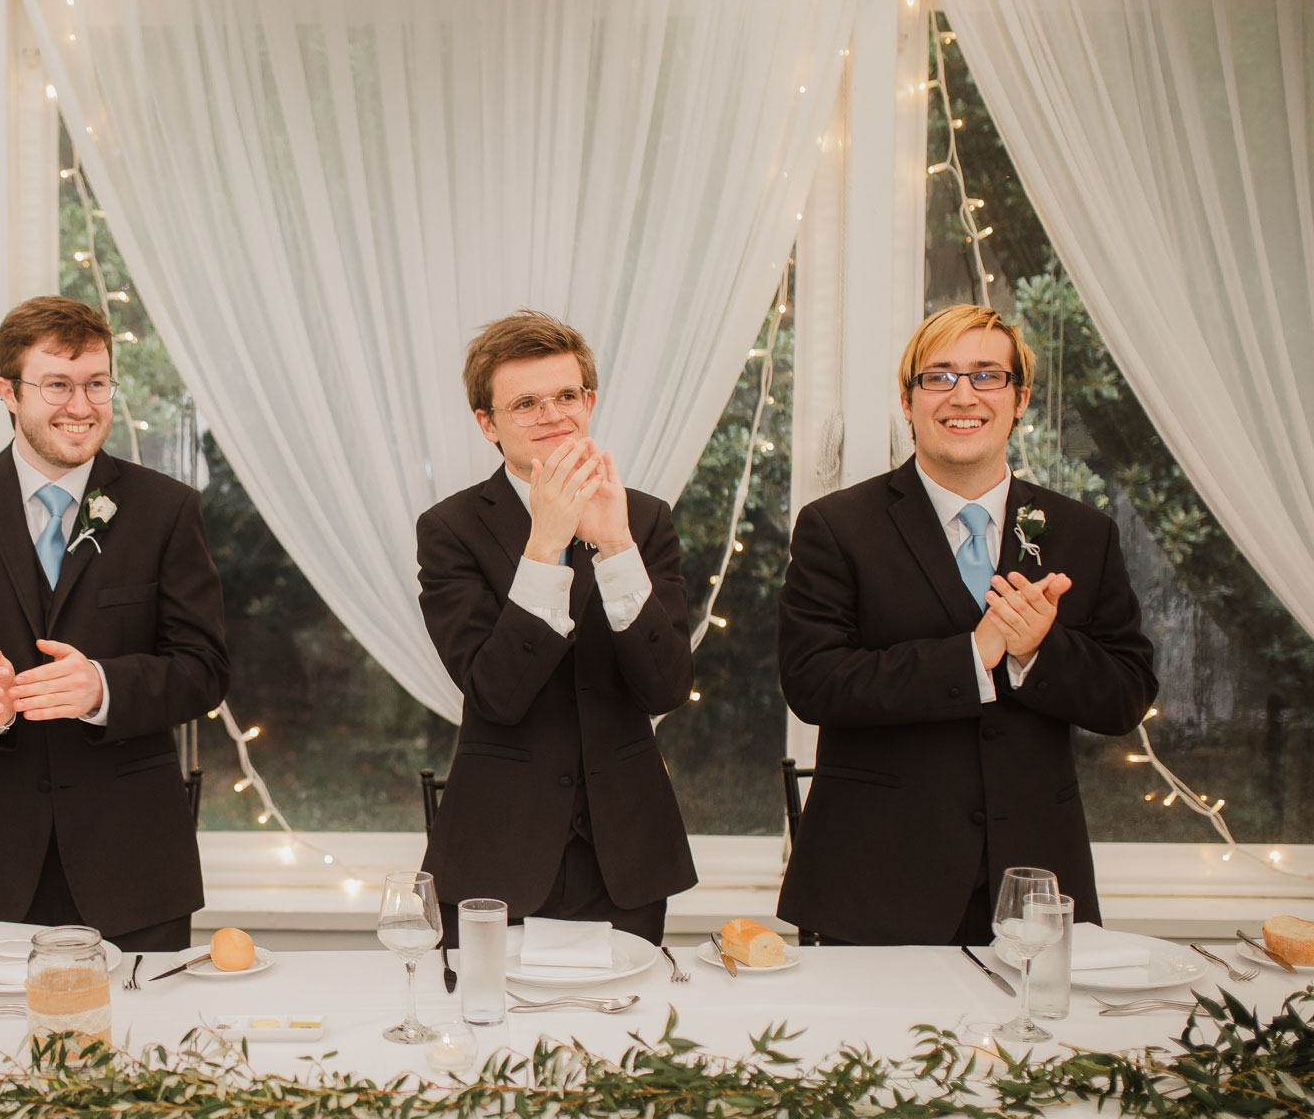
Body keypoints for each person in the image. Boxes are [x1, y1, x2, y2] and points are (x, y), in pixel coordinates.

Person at [777, 304, 1157, 945]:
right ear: (908, 399)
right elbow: (814, 683)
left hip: (1034, 885)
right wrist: (974, 653)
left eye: (987, 376)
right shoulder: (836, 527)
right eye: (939, 376)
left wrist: (1038, 651)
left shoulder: (1083, 535)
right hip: (875, 880)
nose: (963, 395)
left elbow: (1125, 695)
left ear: (1019, 398)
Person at [0, 296, 229, 952]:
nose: (82, 405)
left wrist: (104, 687)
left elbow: (205, 668)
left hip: (133, 862)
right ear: (8, 392)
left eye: (97, 384)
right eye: (57, 385)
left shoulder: (168, 509)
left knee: (144, 1054)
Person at [416, 310, 697, 943]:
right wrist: (543, 549)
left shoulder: (646, 520)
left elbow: (667, 688)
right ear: (487, 424)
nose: (553, 415)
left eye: (566, 395)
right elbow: (495, 694)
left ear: (589, 401)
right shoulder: (449, 530)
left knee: (631, 1039)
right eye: (526, 403)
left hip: (626, 854)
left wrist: (618, 548)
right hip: (496, 854)